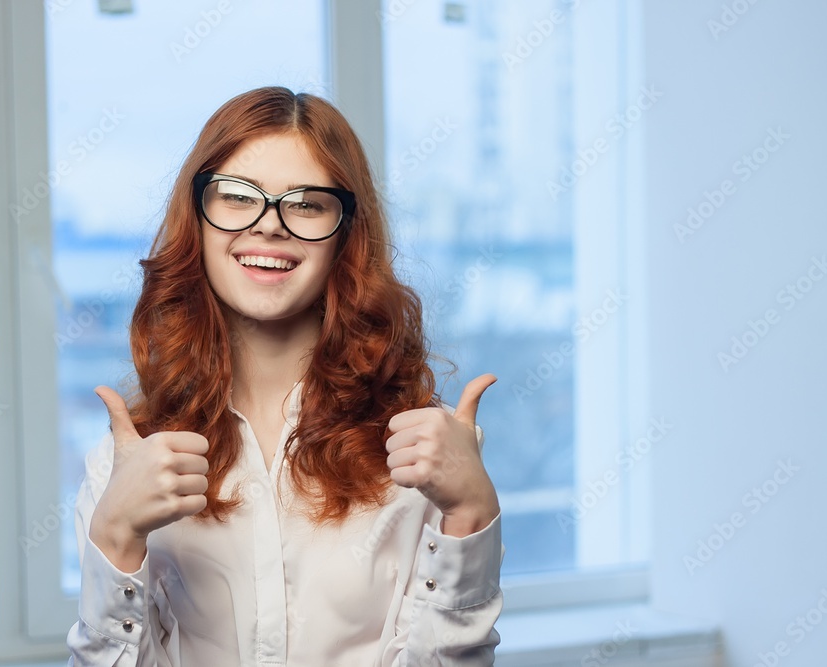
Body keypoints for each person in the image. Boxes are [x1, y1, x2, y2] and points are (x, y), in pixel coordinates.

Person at [66, 86, 504, 666]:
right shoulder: (125, 464)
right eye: (237, 197)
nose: (269, 226)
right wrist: (117, 538)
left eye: (305, 203)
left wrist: (471, 516)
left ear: (345, 233)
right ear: (197, 219)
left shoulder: (426, 453)